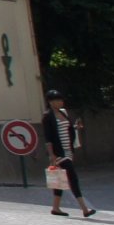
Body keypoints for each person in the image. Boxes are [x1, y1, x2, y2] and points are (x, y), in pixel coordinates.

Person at [42, 88, 97, 218]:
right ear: (50, 102)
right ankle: (85, 209)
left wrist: (75, 127)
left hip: (68, 151)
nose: (61, 102)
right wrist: (51, 155)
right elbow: (48, 138)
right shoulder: (47, 116)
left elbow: (67, 129)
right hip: (59, 152)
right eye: (57, 100)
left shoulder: (63, 113)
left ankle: (55, 208)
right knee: (73, 178)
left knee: (60, 178)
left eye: (61, 99)